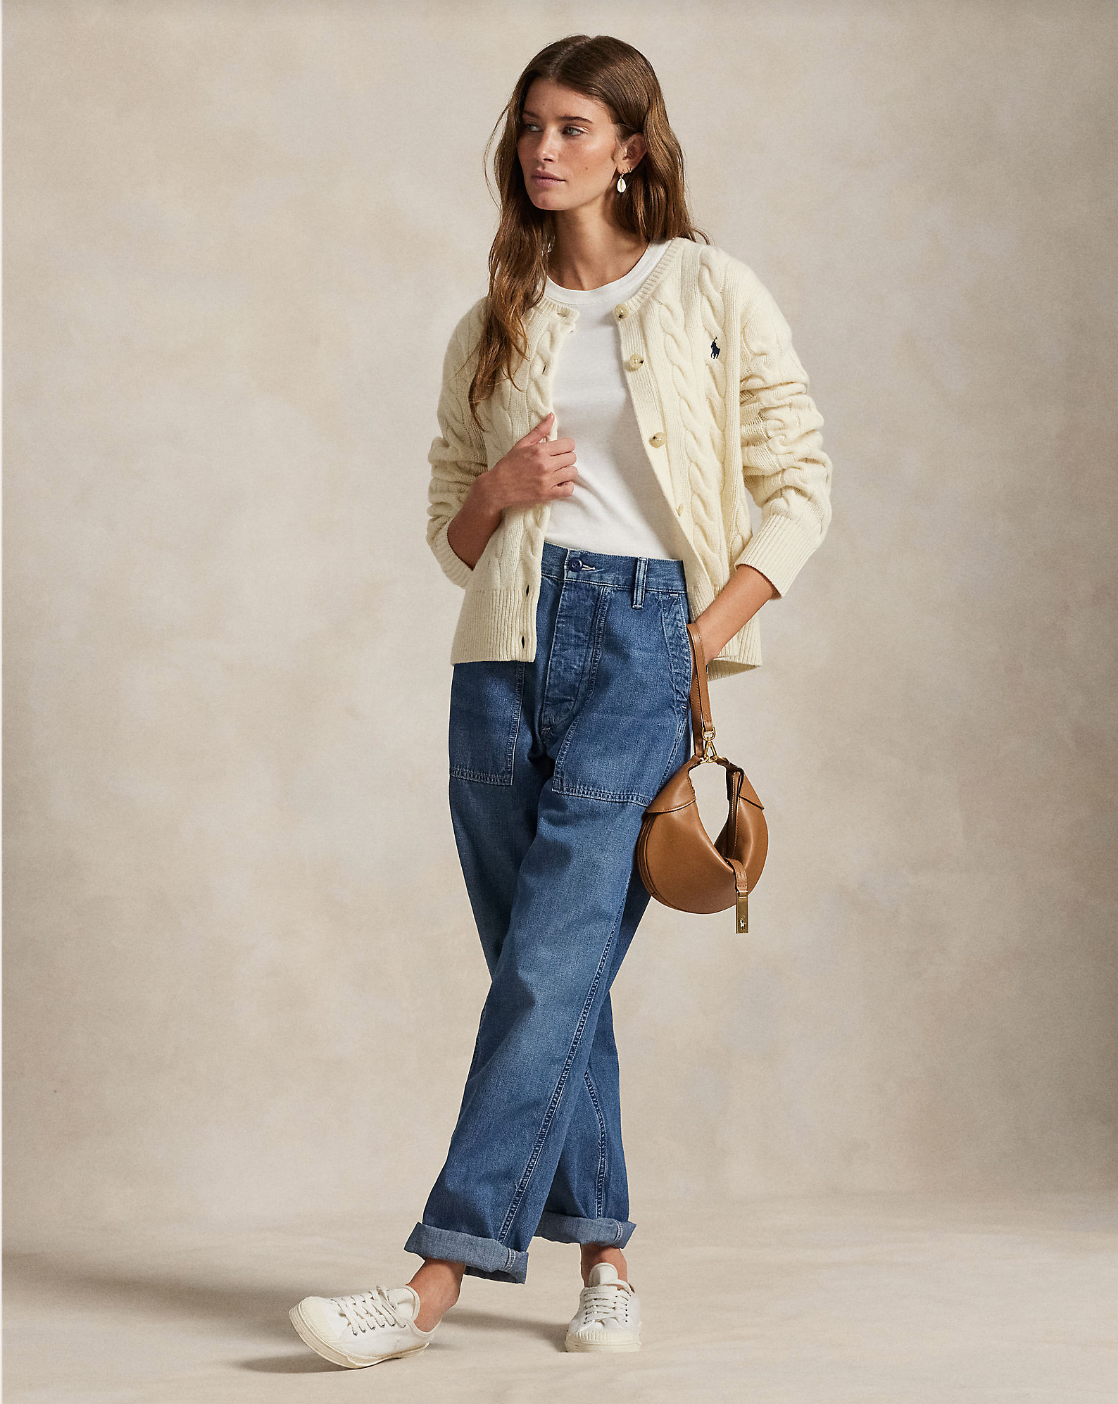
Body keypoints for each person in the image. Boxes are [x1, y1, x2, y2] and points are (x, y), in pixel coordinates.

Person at [288, 32, 832, 1367]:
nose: (543, 149)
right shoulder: (497, 318)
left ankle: (428, 1286)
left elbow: (802, 484)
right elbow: (450, 527)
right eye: (531, 126)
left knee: (547, 966)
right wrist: (500, 489)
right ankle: (608, 1264)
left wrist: (698, 640)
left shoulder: (707, 287)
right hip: (498, 661)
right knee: (546, 971)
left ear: (632, 148)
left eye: (574, 127)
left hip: (644, 645)